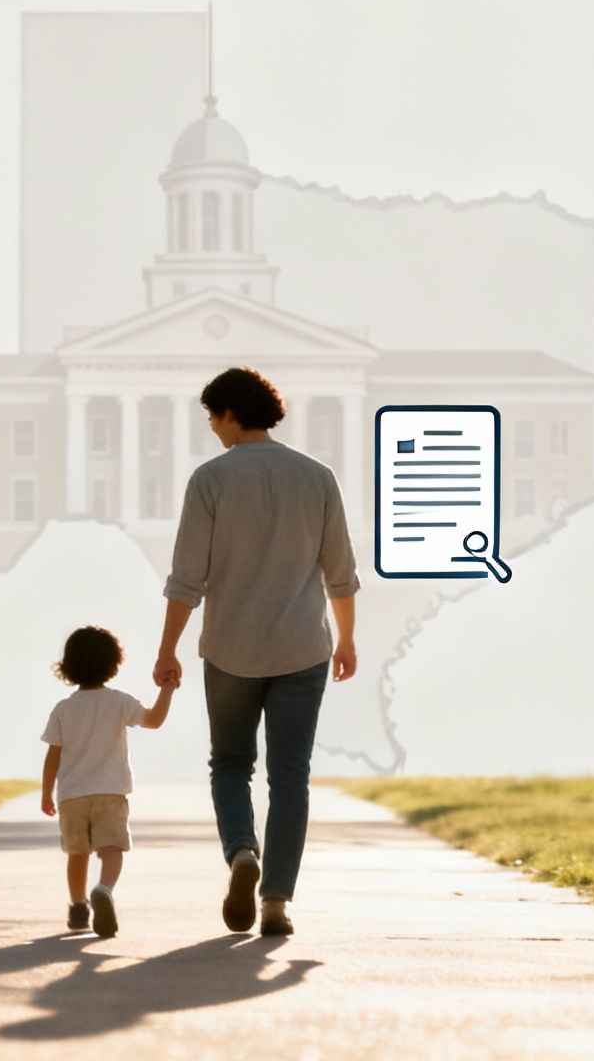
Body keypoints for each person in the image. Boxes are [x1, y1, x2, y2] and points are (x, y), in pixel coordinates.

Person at [154, 366, 361, 938]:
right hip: (302, 648)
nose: (212, 429)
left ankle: (242, 852)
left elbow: (185, 579)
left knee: (230, 765)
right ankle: (275, 901)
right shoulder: (317, 477)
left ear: (229, 414)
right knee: (291, 776)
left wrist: (167, 649)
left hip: (229, 649)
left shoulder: (210, 479)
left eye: (212, 417)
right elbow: (340, 574)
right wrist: (346, 639)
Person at [40, 624, 177, 938]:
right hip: (111, 792)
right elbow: (154, 720)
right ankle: (104, 888)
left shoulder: (63, 709)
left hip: (72, 797)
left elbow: (53, 757)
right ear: (113, 663)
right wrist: (166, 690)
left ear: (69, 666)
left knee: (78, 853)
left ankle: (77, 906)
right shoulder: (119, 702)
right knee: (111, 848)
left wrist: (47, 793)